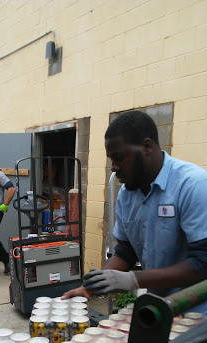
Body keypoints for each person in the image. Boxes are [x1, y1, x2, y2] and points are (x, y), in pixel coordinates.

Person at [64, 110, 207, 313]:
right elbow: (127, 249)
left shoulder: (193, 185)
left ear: (146, 147)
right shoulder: (127, 194)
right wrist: (91, 287)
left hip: (198, 314)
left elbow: (203, 262)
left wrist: (132, 279)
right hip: (161, 310)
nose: (113, 167)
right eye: (111, 159)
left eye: (119, 158)